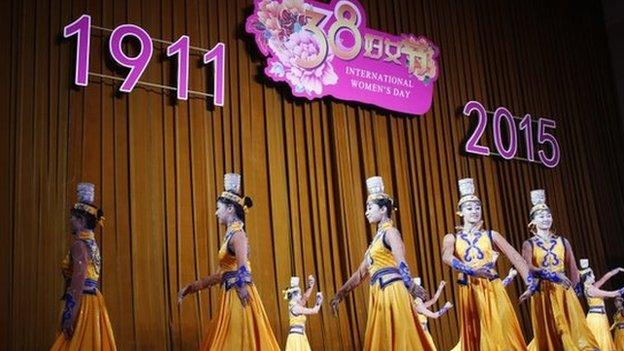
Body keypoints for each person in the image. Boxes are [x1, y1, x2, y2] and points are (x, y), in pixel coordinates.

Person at [178, 173, 280, 350]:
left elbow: (242, 268)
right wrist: (192, 287)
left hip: (238, 297)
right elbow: (222, 275)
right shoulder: (231, 235)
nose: (216, 212)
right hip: (229, 295)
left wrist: (242, 290)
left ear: (230, 209)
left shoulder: (238, 235)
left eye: (219, 208)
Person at [330, 176, 433, 350]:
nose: (366, 212)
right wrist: (340, 295)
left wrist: (410, 284)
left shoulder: (391, 232)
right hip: (378, 294)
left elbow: (401, 261)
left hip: (392, 291)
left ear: (383, 209)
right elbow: (360, 274)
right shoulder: (374, 245)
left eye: (370, 207)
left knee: (399, 339)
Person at [441, 178, 529, 351]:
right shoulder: (452, 237)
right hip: (470, 289)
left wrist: (530, 283)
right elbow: (446, 257)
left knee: (500, 329)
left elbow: (515, 257)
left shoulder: (491, 235)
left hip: (492, 287)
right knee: (477, 333)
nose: (474, 211)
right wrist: (472, 271)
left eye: (477, 208)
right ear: (460, 213)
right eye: (469, 208)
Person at [519, 189, 600, 351]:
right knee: (554, 333)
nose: (546, 219)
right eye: (541, 216)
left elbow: (572, 268)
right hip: (543, 292)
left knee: (575, 331)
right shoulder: (529, 244)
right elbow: (529, 267)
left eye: (548, 215)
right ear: (533, 221)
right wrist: (551, 275)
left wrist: (576, 290)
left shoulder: (563, 241)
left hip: (564, 292)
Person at [50, 183, 116, 350]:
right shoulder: (92, 244)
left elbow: (78, 279)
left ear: (81, 220)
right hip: (94, 301)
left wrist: (69, 316)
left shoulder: (79, 245)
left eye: (73, 216)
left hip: (82, 304)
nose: (70, 219)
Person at [580, 259, 624, 351]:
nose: (594, 276)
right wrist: (622, 290)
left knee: (603, 341)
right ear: (587, 277)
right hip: (596, 318)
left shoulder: (592, 287)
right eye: (592, 275)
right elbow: (612, 294)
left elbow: (603, 279)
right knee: (600, 341)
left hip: (600, 316)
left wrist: (616, 270)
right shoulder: (591, 290)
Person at [283, 276, 323, 351]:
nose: (300, 296)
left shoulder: (296, 305)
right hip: (296, 338)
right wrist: (319, 301)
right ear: (295, 296)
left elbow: (305, 298)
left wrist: (310, 286)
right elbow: (314, 310)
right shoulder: (296, 308)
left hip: (301, 336)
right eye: (299, 294)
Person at [412, 277, 452, 351]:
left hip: (424, 335)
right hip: (423, 337)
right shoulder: (418, 306)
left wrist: (440, 287)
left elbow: (434, 300)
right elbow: (435, 315)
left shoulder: (418, 305)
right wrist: (445, 308)